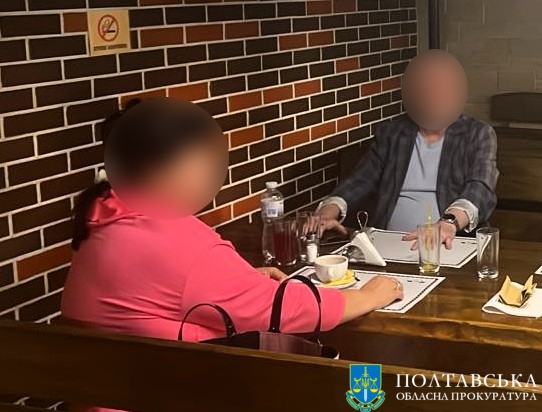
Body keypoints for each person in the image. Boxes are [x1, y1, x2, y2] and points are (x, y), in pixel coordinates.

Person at [61, 98, 403, 411]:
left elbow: (160, 293)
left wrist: (241, 282)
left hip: (109, 394)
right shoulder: (174, 237)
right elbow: (281, 310)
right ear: (173, 166)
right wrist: (367, 296)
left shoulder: (103, 217)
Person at [317, 50, 499, 249]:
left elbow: (480, 188)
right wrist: (328, 211)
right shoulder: (391, 133)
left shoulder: (477, 134)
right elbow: (360, 180)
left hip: (447, 244)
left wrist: (449, 223)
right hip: (389, 242)